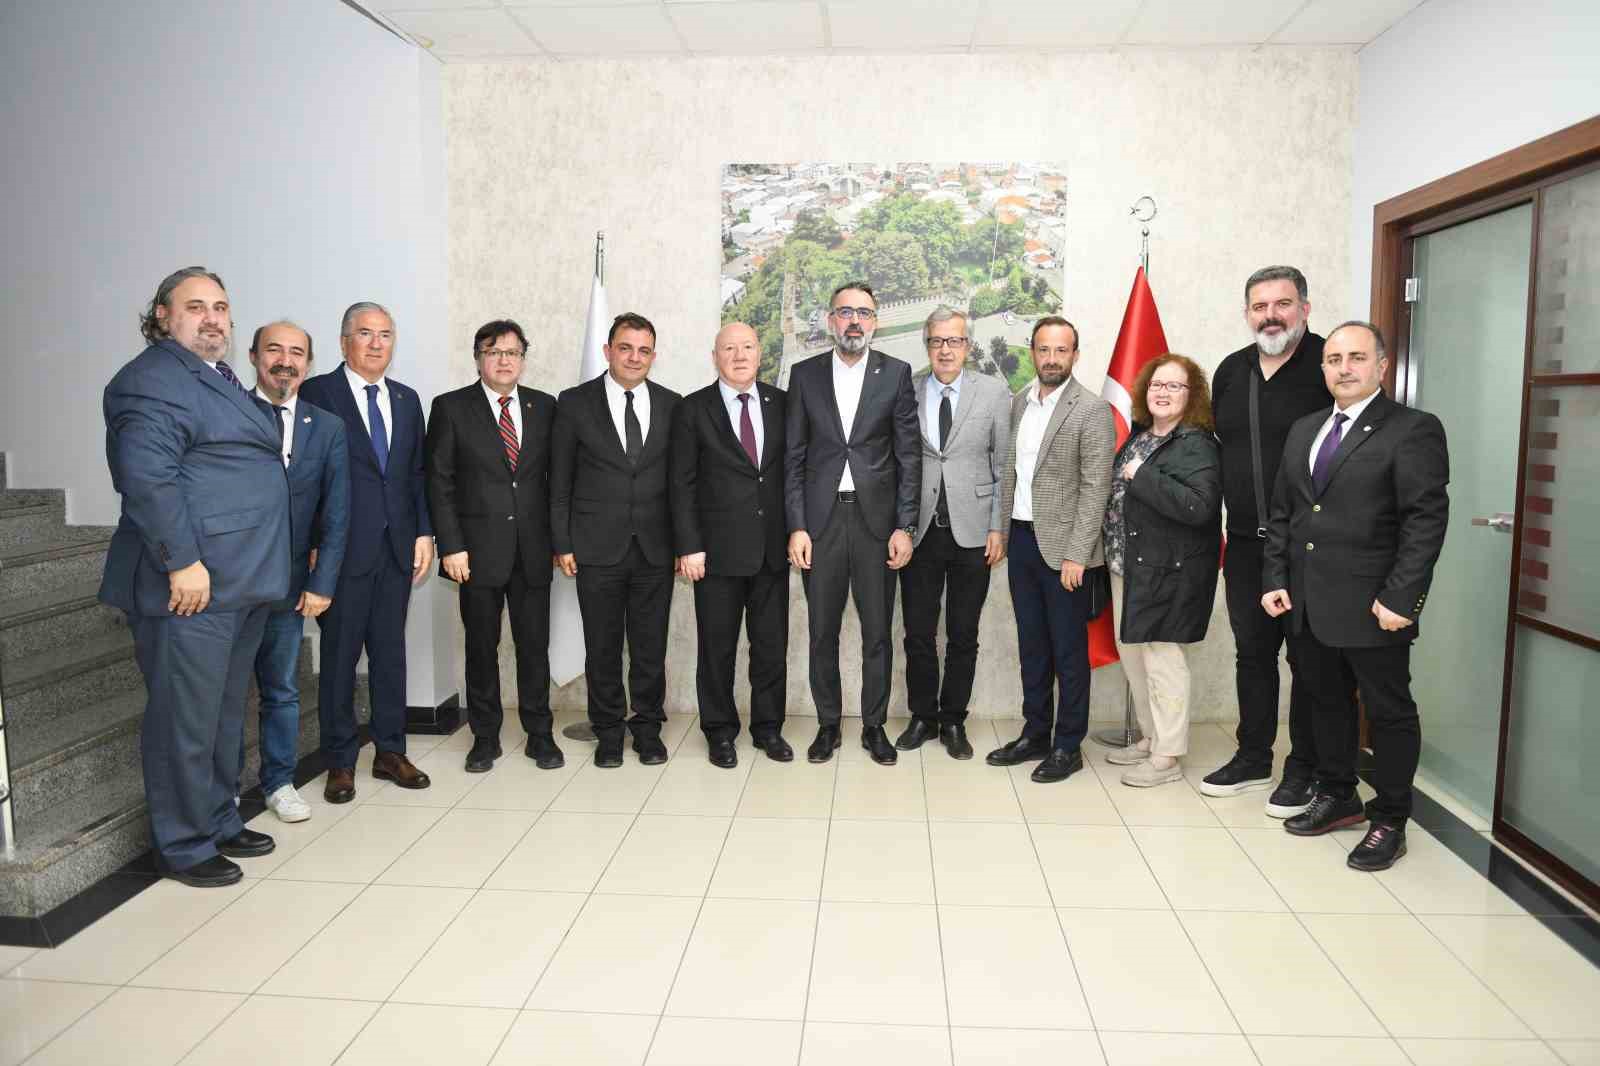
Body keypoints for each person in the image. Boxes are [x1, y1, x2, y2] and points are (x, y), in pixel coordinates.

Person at [100, 266, 290, 887]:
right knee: (184, 720)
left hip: (239, 581)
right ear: (162, 315)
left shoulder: (213, 377)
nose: (213, 318)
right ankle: (182, 844)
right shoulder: (151, 381)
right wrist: (180, 561)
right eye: (196, 306)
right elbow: (146, 479)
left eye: (221, 307)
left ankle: (217, 817)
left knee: (222, 715)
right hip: (190, 584)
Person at [1262, 321, 1449, 870]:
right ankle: (1338, 793)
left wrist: (1403, 598)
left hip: (1375, 607)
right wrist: (1275, 578)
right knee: (1325, 703)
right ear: (1323, 368)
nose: (1344, 368)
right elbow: (1284, 512)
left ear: (1381, 366)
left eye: (1357, 358)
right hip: (1307, 602)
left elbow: (1425, 521)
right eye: (1334, 359)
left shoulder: (1412, 429)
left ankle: (1390, 818)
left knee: (1389, 713)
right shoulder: (1306, 429)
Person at [1200, 266, 1339, 817]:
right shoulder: (1231, 371)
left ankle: (1304, 766)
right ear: (1247, 314)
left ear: (1304, 307)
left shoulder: (1328, 364)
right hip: (1245, 544)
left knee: (1309, 660)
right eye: (1260, 307)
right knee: (1253, 654)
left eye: (1282, 304)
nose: (1271, 316)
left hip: (1309, 548)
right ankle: (1253, 756)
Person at [298, 302, 434, 802]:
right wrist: (314, 543)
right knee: (339, 657)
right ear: (343, 342)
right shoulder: (318, 393)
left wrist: (424, 532)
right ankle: (340, 760)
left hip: (396, 548)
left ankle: (391, 751)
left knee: (390, 654)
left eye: (385, 334)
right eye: (365, 334)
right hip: (341, 552)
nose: (377, 344)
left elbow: (415, 473)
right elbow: (306, 476)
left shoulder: (406, 399)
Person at [785, 282, 921, 766]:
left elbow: (908, 456)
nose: (854, 321)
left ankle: (874, 726)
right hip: (820, 525)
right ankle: (828, 725)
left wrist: (905, 525)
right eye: (845, 312)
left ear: (875, 321)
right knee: (822, 631)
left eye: (863, 313)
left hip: (876, 526)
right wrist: (797, 525)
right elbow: (794, 457)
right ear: (831, 320)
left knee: (877, 632)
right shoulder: (804, 375)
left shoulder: (896, 374)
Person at [425, 319, 562, 774]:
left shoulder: (545, 406)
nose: (504, 360)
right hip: (475, 554)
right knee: (481, 649)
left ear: (523, 358)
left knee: (534, 648)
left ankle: (540, 734)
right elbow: (439, 482)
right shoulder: (450, 408)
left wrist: (559, 541)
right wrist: (451, 546)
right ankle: (485, 738)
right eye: (494, 351)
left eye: (513, 352)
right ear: (478, 358)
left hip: (533, 551)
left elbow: (556, 481)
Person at [551, 313, 681, 768]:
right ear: (608, 351)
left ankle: (647, 730)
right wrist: (562, 542)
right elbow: (559, 481)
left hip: (655, 548)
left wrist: (684, 543)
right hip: (595, 547)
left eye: (644, 350)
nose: (634, 357)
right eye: (625, 348)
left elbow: (680, 483)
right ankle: (608, 732)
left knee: (650, 648)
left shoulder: (671, 404)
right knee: (602, 647)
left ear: (653, 356)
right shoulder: (574, 403)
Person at [990, 317, 1114, 783]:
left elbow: (1096, 488)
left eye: (1062, 350)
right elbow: (1010, 472)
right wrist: (1001, 531)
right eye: (1044, 349)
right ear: (1033, 353)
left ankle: (1068, 745)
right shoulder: (1019, 403)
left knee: (1068, 652)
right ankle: (1036, 733)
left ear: (1075, 355)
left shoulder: (1092, 409)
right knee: (1032, 646)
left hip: (1065, 552)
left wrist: (1078, 554)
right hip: (1022, 542)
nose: (1052, 359)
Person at [242, 321, 350, 822]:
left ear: (308, 363)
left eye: (296, 353)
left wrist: (322, 581)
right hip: (229, 584)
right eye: (274, 350)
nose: (285, 361)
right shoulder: (227, 412)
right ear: (253, 356)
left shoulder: (325, 427)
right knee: (223, 696)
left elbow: (337, 513)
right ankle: (220, 791)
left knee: (282, 690)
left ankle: (279, 782)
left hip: (288, 584)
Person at [670, 322, 791, 768]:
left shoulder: (782, 403)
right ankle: (719, 732)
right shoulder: (692, 409)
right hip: (715, 555)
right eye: (729, 349)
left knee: (770, 648)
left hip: (771, 551)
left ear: (759, 353)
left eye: (747, 347)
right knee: (716, 650)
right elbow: (681, 483)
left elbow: (792, 473)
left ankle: (768, 729)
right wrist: (689, 546)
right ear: (715, 357)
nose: (739, 356)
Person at [1100, 354, 1222, 787]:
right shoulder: (1140, 436)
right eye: (1156, 384)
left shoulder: (1197, 444)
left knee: (1163, 661)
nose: (1163, 392)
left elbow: (1199, 507)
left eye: (1174, 386)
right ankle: (1151, 737)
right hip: (1127, 565)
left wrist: (1143, 476)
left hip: (1169, 571)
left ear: (1192, 395)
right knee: (1134, 656)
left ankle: (1168, 756)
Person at [895, 307, 1010, 761]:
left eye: (955, 341)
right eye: (937, 341)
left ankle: (954, 719)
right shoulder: (907, 390)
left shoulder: (994, 392)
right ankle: (923, 716)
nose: (945, 349)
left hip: (974, 532)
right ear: (927, 345)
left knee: (964, 633)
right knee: (918, 633)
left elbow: (1003, 465)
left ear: (968, 345)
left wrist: (998, 525)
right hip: (920, 531)